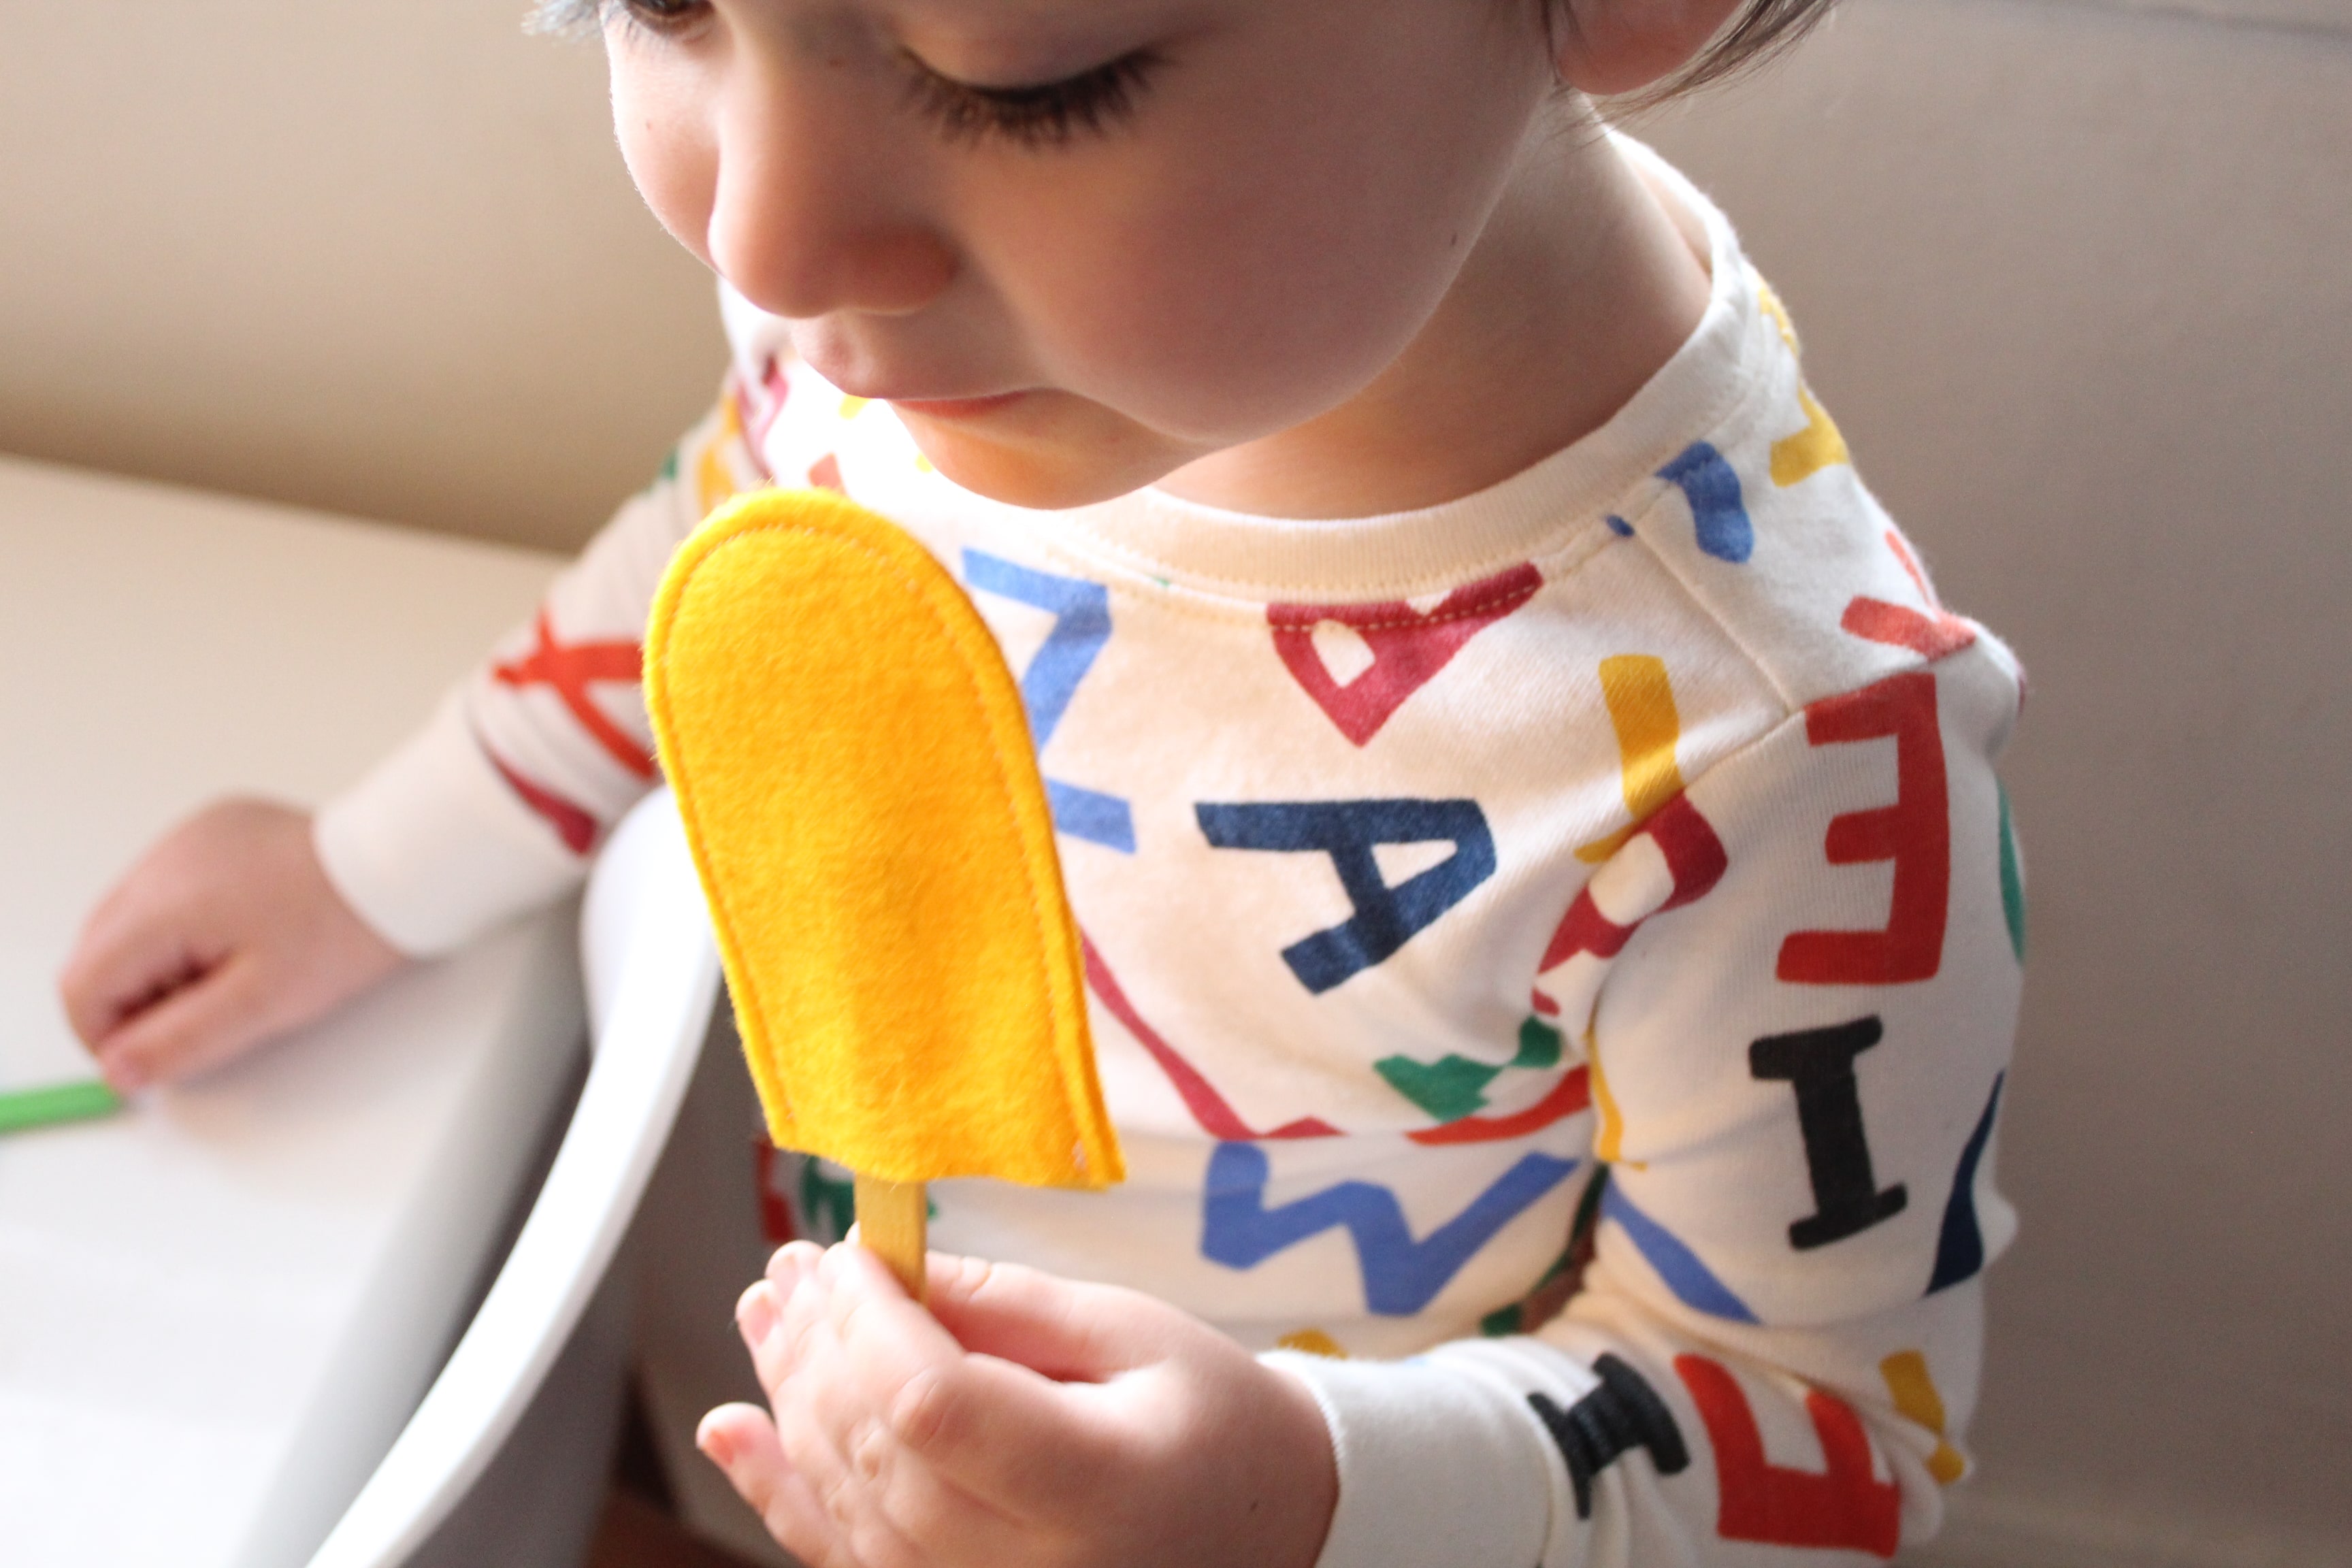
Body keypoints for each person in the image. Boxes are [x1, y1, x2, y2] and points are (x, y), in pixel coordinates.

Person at [59, 0, 2029, 1562]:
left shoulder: (1785, 746)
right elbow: (734, 558)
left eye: (1026, 78)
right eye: (657, 6)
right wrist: (372, 870)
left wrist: (1296, 1497)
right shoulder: (911, 322)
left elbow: (1827, 1435)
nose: (765, 238)